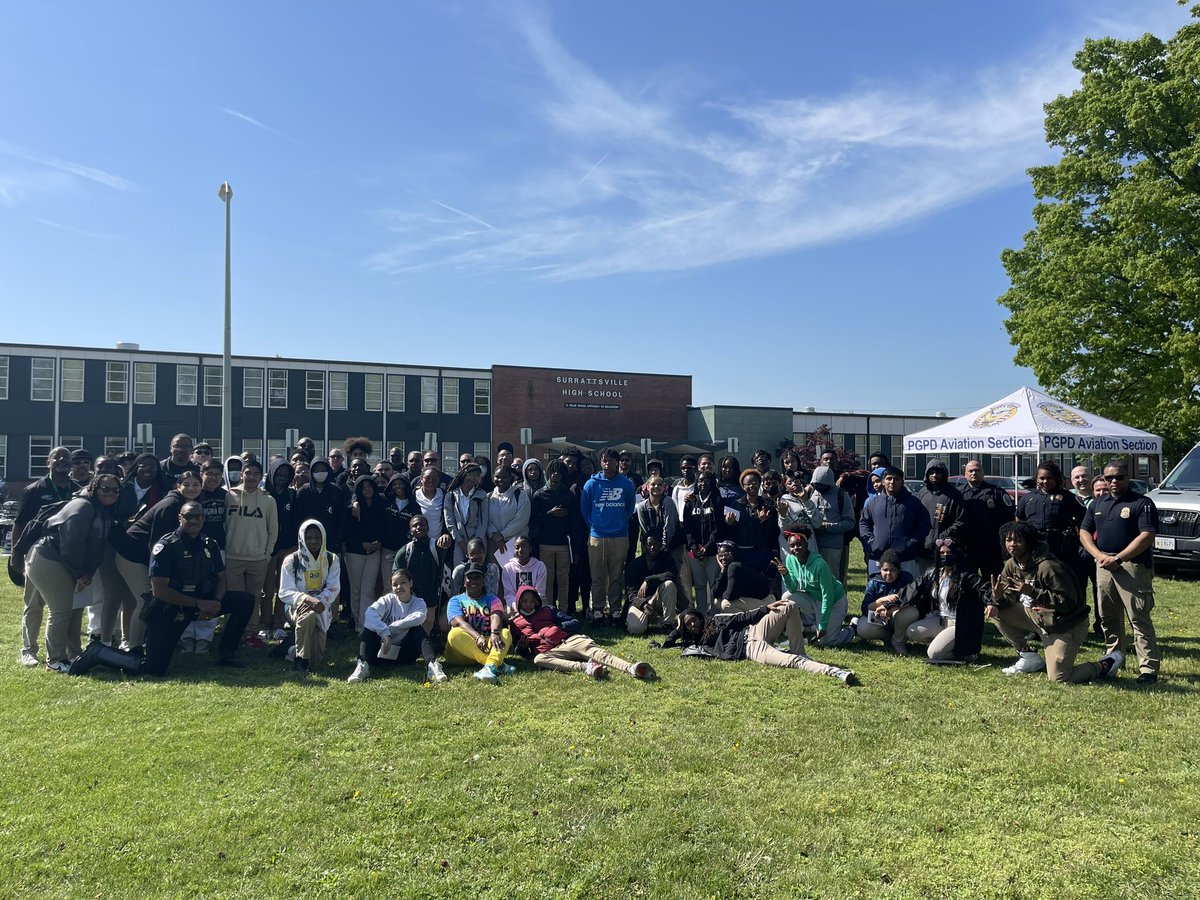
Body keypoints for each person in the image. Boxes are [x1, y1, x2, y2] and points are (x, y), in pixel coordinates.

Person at [988, 521, 1122, 682]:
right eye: (1008, 540)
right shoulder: (1012, 564)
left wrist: (1032, 591)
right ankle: (1027, 655)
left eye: (1018, 540)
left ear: (1028, 542)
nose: (1012, 545)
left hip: (1066, 624)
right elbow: (1007, 599)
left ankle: (1105, 664)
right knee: (995, 610)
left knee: (1059, 678)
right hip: (1038, 618)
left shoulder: (1048, 567)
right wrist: (997, 597)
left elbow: (1068, 602)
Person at [139, 501, 255, 675]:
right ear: (180, 518)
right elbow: (159, 590)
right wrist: (198, 604)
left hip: (203, 602)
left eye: (198, 516)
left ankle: (227, 654)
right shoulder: (166, 546)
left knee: (245, 601)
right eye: (188, 516)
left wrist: (215, 602)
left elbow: (222, 578)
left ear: (203, 518)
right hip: (172, 608)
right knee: (154, 669)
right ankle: (100, 654)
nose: (193, 520)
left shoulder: (210, 544)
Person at [23, 472, 120, 672]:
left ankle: (72, 654)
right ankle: (55, 660)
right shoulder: (83, 507)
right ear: (94, 488)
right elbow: (71, 544)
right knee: (61, 610)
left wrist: (89, 571)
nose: (111, 493)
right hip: (49, 558)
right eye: (105, 488)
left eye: (115, 490)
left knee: (75, 610)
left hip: (67, 562)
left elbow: (97, 546)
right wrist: (79, 573)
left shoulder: (102, 509)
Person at [1079, 460, 1160, 684]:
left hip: (1132, 567)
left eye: (1119, 477)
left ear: (1128, 477)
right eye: (1109, 478)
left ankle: (1148, 669)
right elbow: (1085, 532)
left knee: (1138, 618)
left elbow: (1147, 536)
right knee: (1108, 617)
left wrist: (1119, 558)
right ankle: (1114, 658)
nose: (1113, 482)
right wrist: (1099, 556)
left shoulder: (1141, 503)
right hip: (1104, 564)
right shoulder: (1097, 504)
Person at [659, 601, 857, 684]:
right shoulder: (694, 645)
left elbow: (739, 618)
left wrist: (765, 609)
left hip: (753, 630)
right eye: (688, 625)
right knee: (793, 661)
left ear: (700, 617)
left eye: (693, 619)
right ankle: (836, 672)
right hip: (750, 648)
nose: (693, 624)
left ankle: (799, 649)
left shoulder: (715, 620)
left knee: (790, 605)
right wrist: (677, 629)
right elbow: (670, 644)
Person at [13, 446, 82, 666]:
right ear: (48, 463)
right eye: (57, 457)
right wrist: (16, 553)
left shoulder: (77, 489)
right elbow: (20, 523)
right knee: (34, 603)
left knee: (71, 605)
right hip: (38, 553)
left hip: (68, 555)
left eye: (66, 458)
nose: (62, 460)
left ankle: (73, 652)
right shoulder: (35, 489)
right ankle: (28, 650)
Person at [512, 586, 654, 680]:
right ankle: (585, 667)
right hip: (550, 651)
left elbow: (575, 623)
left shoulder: (548, 610)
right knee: (539, 660)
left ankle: (631, 668)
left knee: (600, 654)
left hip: (569, 639)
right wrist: (522, 648)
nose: (529, 604)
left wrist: (557, 630)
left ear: (537, 601)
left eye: (532, 601)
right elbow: (522, 653)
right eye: (525, 601)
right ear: (519, 602)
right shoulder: (515, 623)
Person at [889, 538, 986, 663]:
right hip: (941, 621)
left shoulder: (966, 576)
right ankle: (946, 643)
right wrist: (890, 604)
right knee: (912, 631)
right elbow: (912, 589)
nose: (945, 556)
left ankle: (966, 653)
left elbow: (984, 588)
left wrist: (991, 602)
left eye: (949, 553)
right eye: (942, 553)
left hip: (960, 623)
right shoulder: (934, 574)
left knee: (934, 654)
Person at [347, 568, 445, 684]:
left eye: (403, 582)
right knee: (369, 629)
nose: (399, 587)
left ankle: (432, 666)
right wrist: (384, 633)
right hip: (380, 652)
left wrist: (390, 629)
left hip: (405, 654)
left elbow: (419, 617)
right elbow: (370, 613)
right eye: (395, 584)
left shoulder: (418, 602)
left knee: (417, 629)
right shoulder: (387, 599)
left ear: (411, 583)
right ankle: (362, 665)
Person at [224, 457, 278, 647]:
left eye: (256, 474)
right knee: (234, 599)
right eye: (248, 473)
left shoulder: (268, 500)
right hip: (233, 557)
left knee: (253, 599)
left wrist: (266, 554)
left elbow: (273, 530)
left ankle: (251, 634)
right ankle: (233, 634)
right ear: (241, 475)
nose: (252, 477)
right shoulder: (229, 496)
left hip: (258, 559)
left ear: (260, 476)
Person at [580, 447, 638, 621]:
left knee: (616, 576)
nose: (607, 463)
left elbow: (629, 508)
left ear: (617, 463)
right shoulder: (591, 484)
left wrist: (619, 522)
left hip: (619, 536)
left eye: (611, 460)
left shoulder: (626, 484)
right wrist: (595, 524)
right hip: (597, 536)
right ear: (600, 462)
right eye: (604, 460)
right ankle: (597, 609)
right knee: (597, 576)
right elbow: (585, 509)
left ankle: (615, 609)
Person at [278, 519, 341, 673]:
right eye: (309, 538)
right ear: (302, 538)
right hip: (294, 607)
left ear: (323, 538)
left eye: (317, 537)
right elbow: (285, 591)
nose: (313, 541)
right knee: (308, 616)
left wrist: (318, 601)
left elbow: (333, 588)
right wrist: (306, 599)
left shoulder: (331, 559)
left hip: (322, 606)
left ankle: (289, 650)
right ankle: (300, 660)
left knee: (316, 661)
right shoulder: (291, 560)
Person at [776, 528, 854, 647]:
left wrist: (822, 625)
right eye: (792, 546)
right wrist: (785, 575)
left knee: (827, 642)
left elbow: (828, 595)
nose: (796, 548)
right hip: (814, 599)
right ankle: (797, 635)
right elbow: (792, 589)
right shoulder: (790, 559)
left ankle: (853, 629)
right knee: (787, 597)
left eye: (799, 544)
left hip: (834, 602)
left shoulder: (820, 565)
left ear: (806, 544)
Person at [1016, 460, 1087, 589]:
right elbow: (1019, 519)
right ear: (1036, 479)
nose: (1045, 481)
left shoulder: (1068, 497)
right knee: (1038, 581)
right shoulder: (1028, 498)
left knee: (1062, 582)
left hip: (1061, 548)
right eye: (1042, 478)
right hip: (1035, 547)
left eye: (1050, 478)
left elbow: (1084, 520)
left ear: (1057, 478)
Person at [444, 563, 513, 683]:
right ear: (464, 581)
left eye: (477, 577)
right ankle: (496, 664)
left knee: (506, 633)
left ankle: (489, 667)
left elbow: (496, 615)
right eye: (470, 577)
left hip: (486, 644)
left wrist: (495, 633)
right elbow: (458, 623)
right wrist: (478, 637)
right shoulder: (455, 600)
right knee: (454, 634)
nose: (473, 581)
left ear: (483, 581)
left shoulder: (492, 599)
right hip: (461, 652)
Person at [859, 467, 931, 579]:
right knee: (878, 592)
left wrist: (911, 544)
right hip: (878, 557)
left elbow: (924, 525)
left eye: (896, 479)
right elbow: (864, 523)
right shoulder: (873, 503)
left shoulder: (914, 503)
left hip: (905, 559)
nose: (892, 482)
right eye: (889, 479)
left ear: (902, 482)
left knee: (906, 593)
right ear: (883, 481)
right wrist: (871, 542)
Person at [261, 459, 299, 641]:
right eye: (279, 474)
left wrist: (294, 546)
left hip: (288, 548)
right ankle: (264, 623)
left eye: (286, 475)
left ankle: (278, 623)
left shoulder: (292, 495)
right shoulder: (263, 494)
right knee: (267, 589)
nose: (282, 478)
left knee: (283, 589)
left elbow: (297, 522)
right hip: (268, 548)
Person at [531, 459, 577, 610]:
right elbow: (533, 520)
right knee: (547, 578)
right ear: (548, 473)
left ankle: (563, 610)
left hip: (564, 544)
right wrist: (550, 513)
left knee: (564, 578)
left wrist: (575, 548)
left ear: (563, 474)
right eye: (553, 471)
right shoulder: (539, 494)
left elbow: (574, 523)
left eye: (559, 472)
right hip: (545, 543)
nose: (556, 474)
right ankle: (548, 609)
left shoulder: (569, 495)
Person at [343, 474, 387, 631]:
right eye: (363, 487)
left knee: (368, 590)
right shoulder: (351, 508)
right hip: (355, 553)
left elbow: (384, 527)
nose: (367, 490)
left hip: (374, 554)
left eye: (369, 486)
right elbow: (347, 533)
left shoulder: (381, 504)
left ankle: (365, 626)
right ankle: (357, 623)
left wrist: (379, 543)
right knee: (355, 590)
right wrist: (362, 544)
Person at [958, 459, 1014, 577]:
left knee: (993, 579)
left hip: (990, 546)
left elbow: (1008, 519)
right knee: (967, 580)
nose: (974, 473)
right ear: (965, 474)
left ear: (983, 473)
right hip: (967, 547)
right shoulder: (958, 494)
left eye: (977, 470)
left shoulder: (997, 492)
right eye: (971, 471)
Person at [854, 549, 917, 653]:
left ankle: (898, 640)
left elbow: (912, 600)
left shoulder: (906, 579)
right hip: (879, 618)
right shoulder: (874, 582)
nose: (888, 573)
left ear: (898, 570)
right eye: (885, 570)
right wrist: (880, 601)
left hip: (898, 616)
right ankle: (888, 638)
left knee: (912, 612)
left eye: (892, 570)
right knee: (863, 628)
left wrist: (891, 607)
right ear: (880, 569)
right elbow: (865, 608)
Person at [682, 470, 725, 614]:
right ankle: (701, 615)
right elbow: (687, 528)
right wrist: (693, 547)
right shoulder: (690, 501)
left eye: (706, 480)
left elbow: (718, 527)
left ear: (712, 482)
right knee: (699, 586)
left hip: (712, 552)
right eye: (700, 480)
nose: (702, 483)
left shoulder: (717, 500)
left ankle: (713, 615)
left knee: (714, 584)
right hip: (694, 552)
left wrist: (708, 547)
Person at [391, 515, 444, 628]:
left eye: (422, 525)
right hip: (411, 600)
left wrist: (446, 540)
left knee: (426, 628)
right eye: (415, 526)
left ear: (428, 528)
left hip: (431, 599)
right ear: (410, 530)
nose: (419, 527)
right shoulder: (405, 551)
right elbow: (395, 575)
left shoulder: (436, 546)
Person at [726, 469, 779, 578]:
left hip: (762, 552)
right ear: (743, 486)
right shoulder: (736, 505)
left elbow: (773, 532)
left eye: (754, 483)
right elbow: (730, 534)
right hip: (742, 553)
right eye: (747, 484)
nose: (751, 486)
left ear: (760, 484)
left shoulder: (767, 504)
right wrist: (729, 523)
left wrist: (764, 521)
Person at [622, 533, 679, 634]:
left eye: (656, 544)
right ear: (644, 545)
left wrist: (648, 580)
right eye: (650, 544)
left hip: (658, 599)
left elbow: (672, 574)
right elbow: (630, 593)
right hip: (640, 602)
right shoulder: (634, 564)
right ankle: (647, 620)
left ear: (660, 545)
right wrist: (643, 605)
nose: (653, 547)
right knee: (636, 629)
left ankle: (668, 624)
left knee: (669, 584)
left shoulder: (667, 559)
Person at [915, 459, 966, 571]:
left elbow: (960, 521)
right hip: (923, 549)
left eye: (938, 472)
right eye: (931, 472)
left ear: (944, 474)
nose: (934, 475)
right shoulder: (922, 493)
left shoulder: (954, 495)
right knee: (925, 582)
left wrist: (942, 537)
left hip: (945, 548)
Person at [444, 463, 489, 567]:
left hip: (479, 540)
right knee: (459, 572)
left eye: (477, 475)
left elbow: (483, 521)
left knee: (478, 571)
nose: (474, 478)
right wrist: (460, 542)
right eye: (471, 474)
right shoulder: (451, 496)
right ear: (464, 474)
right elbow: (449, 521)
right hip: (460, 542)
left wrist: (477, 543)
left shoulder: (482, 495)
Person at [714, 540, 774, 613]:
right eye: (720, 555)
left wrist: (723, 594)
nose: (723, 558)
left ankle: (747, 623)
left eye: (727, 554)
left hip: (766, 601)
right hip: (752, 600)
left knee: (726, 604)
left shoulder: (735, 566)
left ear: (734, 554)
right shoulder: (728, 567)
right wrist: (722, 571)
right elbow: (715, 593)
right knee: (717, 601)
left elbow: (730, 595)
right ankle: (747, 621)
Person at [487, 465, 531, 561]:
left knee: (515, 574)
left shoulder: (520, 495)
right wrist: (495, 536)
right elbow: (486, 520)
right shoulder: (488, 497)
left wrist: (502, 535)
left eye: (504, 477)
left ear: (510, 478)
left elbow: (521, 520)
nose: (500, 480)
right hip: (494, 544)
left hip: (516, 544)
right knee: (496, 574)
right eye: (497, 477)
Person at [501, 535, 547, 611]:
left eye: (524, 546)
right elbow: (509, 594)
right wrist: (517, 607)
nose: (520, 550)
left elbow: (540, 592)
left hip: (536, 605)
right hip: (515, 607)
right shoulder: (507, 568)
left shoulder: (539, 566)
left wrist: (530, 606)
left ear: (530, 549)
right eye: (517, 547)